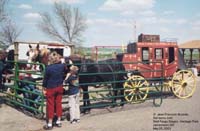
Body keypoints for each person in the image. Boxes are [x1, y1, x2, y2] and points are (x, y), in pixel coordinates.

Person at [42, 51, 66, 130]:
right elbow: (64, 63)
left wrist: (44, 88)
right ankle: (58, 121)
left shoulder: (48, 68)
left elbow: (45, 80)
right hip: (59, 87)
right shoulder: (62, 66)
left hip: (51, 88)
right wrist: (61, 60)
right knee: (58, 104)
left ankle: (49, 123)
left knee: (50, 105)